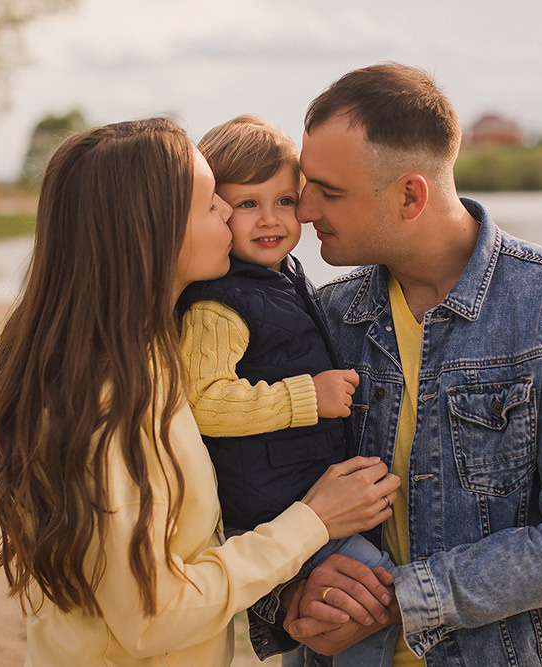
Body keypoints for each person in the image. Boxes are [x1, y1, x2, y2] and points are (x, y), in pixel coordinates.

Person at [0, 117, 401, 666]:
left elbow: (194, 545)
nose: (229, 212)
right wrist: (311, 522)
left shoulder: (154, 356)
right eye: (211, 203)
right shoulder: (109, 404)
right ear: (152, 231)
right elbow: (154, 615)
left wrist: (293, 585)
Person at [256, 63, 542, 666]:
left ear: (411, 195)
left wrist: (399, 601)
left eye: (329, 192)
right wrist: (290, 597)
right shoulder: (319, 316)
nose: (303, 210)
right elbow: (250, 492)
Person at [177, 115, 400, 666]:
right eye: (247, 204)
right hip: (275, 502)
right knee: (368, 595)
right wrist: (307, 397)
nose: (270, 218)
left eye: (284, 200)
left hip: (301, 491)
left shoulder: (285, 275)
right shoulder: (219, 302)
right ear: (216, 211)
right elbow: (205, 402)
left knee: (342, 605)